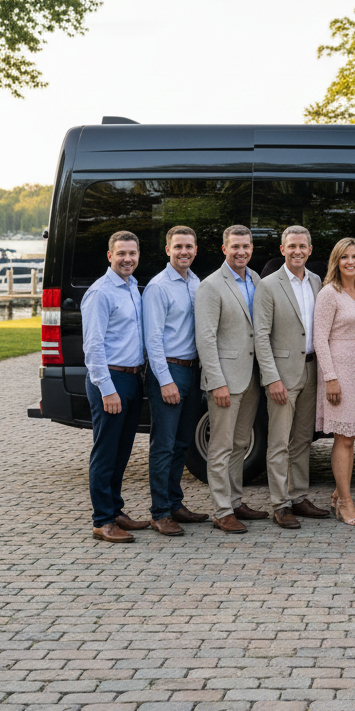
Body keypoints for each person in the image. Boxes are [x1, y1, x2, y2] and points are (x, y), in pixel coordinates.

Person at [194, 225, 269, 533]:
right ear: (224, 249)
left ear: (252, 249)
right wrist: (216, 381)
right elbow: (206, 338)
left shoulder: (255, 279)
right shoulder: (211, 286)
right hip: (225, 379)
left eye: (246, 246)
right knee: (222, 446)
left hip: (252, 377)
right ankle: (222, 510)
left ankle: (236, 501)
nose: (241, 251)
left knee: (240, 443)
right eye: (235, 246)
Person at [254, 225, 328, 530]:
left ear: (310, 250)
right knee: (279, 441)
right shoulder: (268, 285)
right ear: (283, 249)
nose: (297, 251)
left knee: (302, 440)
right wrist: (272, 378)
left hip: (311, 370)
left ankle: (299, 495)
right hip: (283, 374)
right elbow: (261, 335)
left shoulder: (316, 281)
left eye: (303, 246)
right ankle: (280, 504)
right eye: (292, 246)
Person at [142, 225, 210, 536]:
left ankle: (175, 504)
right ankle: (159, 512)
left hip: (193, 371)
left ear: (196, 250)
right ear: (168, 249)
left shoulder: (196, 282)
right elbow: (153, 339)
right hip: (169, 371)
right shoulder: (158, 287)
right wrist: (165, 380)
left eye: (189, 246)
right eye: (178, 246)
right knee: (164, 445)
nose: (184, 251)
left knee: (182, 443)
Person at [81, 230, 149, 543]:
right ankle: (102, 521)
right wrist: (107, 389)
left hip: (132, 377)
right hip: (111, 379)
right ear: (110, 256)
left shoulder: (132, 287)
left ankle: (115, 509)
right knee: (105, 452)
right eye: (121, 253)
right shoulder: (101, 293)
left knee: (122, 452)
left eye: (132, 253)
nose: (127, 259)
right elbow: (93, 346)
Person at [314, 237, 355, 526]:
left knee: (351, 437)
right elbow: (320, 339)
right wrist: (330, 378)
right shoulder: (330, 293)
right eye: (344, 257)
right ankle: (346, 503)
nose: (351, 261)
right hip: (339, 370)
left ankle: (340, 494)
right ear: (336, 261)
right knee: (345, 439)